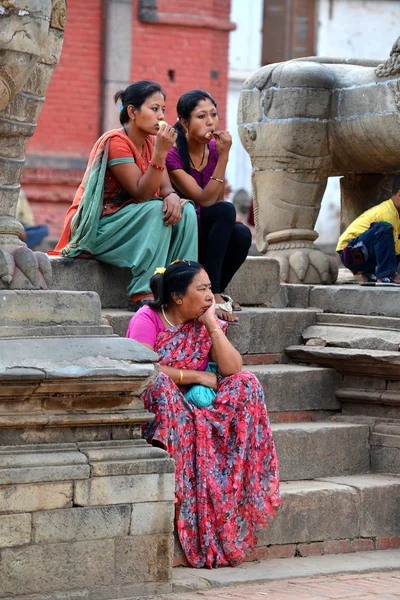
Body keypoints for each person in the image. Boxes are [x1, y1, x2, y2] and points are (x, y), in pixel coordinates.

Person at [126, 260, 281, 568]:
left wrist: (212, 325)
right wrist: (193, 376)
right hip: (165, 406)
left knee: (246, 383)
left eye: (211, 288)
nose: (211, 296)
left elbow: (232, 369)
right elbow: (140, 370)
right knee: (159, 384)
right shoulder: (148, 318)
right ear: (177, 297)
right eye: (202, 289)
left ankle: (231, 481)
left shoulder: (204, 322)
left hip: (201, 409)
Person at [49, 80, 198, 310]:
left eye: (163, 110)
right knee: (155, 208)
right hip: (97, 228)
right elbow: (142, 194)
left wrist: (172, 196)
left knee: (186, 210)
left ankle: (181, 284)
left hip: (127, 223)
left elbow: (166, 188)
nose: (161, 117)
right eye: (154, 109)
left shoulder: (150, 144)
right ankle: (144, 290)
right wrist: (161, 153)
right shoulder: (116, 143)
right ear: (132, 112)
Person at [166, 90, 252, 321]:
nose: (210, 122)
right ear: (185, 122)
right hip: (185, 233)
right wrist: (224, 158)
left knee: (242, 232)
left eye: (213, 114)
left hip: (208, 232)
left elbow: (216, 199)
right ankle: (212, 290)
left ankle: (217, 288)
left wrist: (220, 155)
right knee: (226, 210)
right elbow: (203, 199)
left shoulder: (213, 149)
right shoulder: (173, 155)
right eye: (201, 116)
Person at [336, 175, 400, 285]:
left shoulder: (396, 214)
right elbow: (395, 248)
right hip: (349, 252)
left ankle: (370, 274)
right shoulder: (387, 213)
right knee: (383, 229)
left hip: (361, 252)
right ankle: (385, 275)